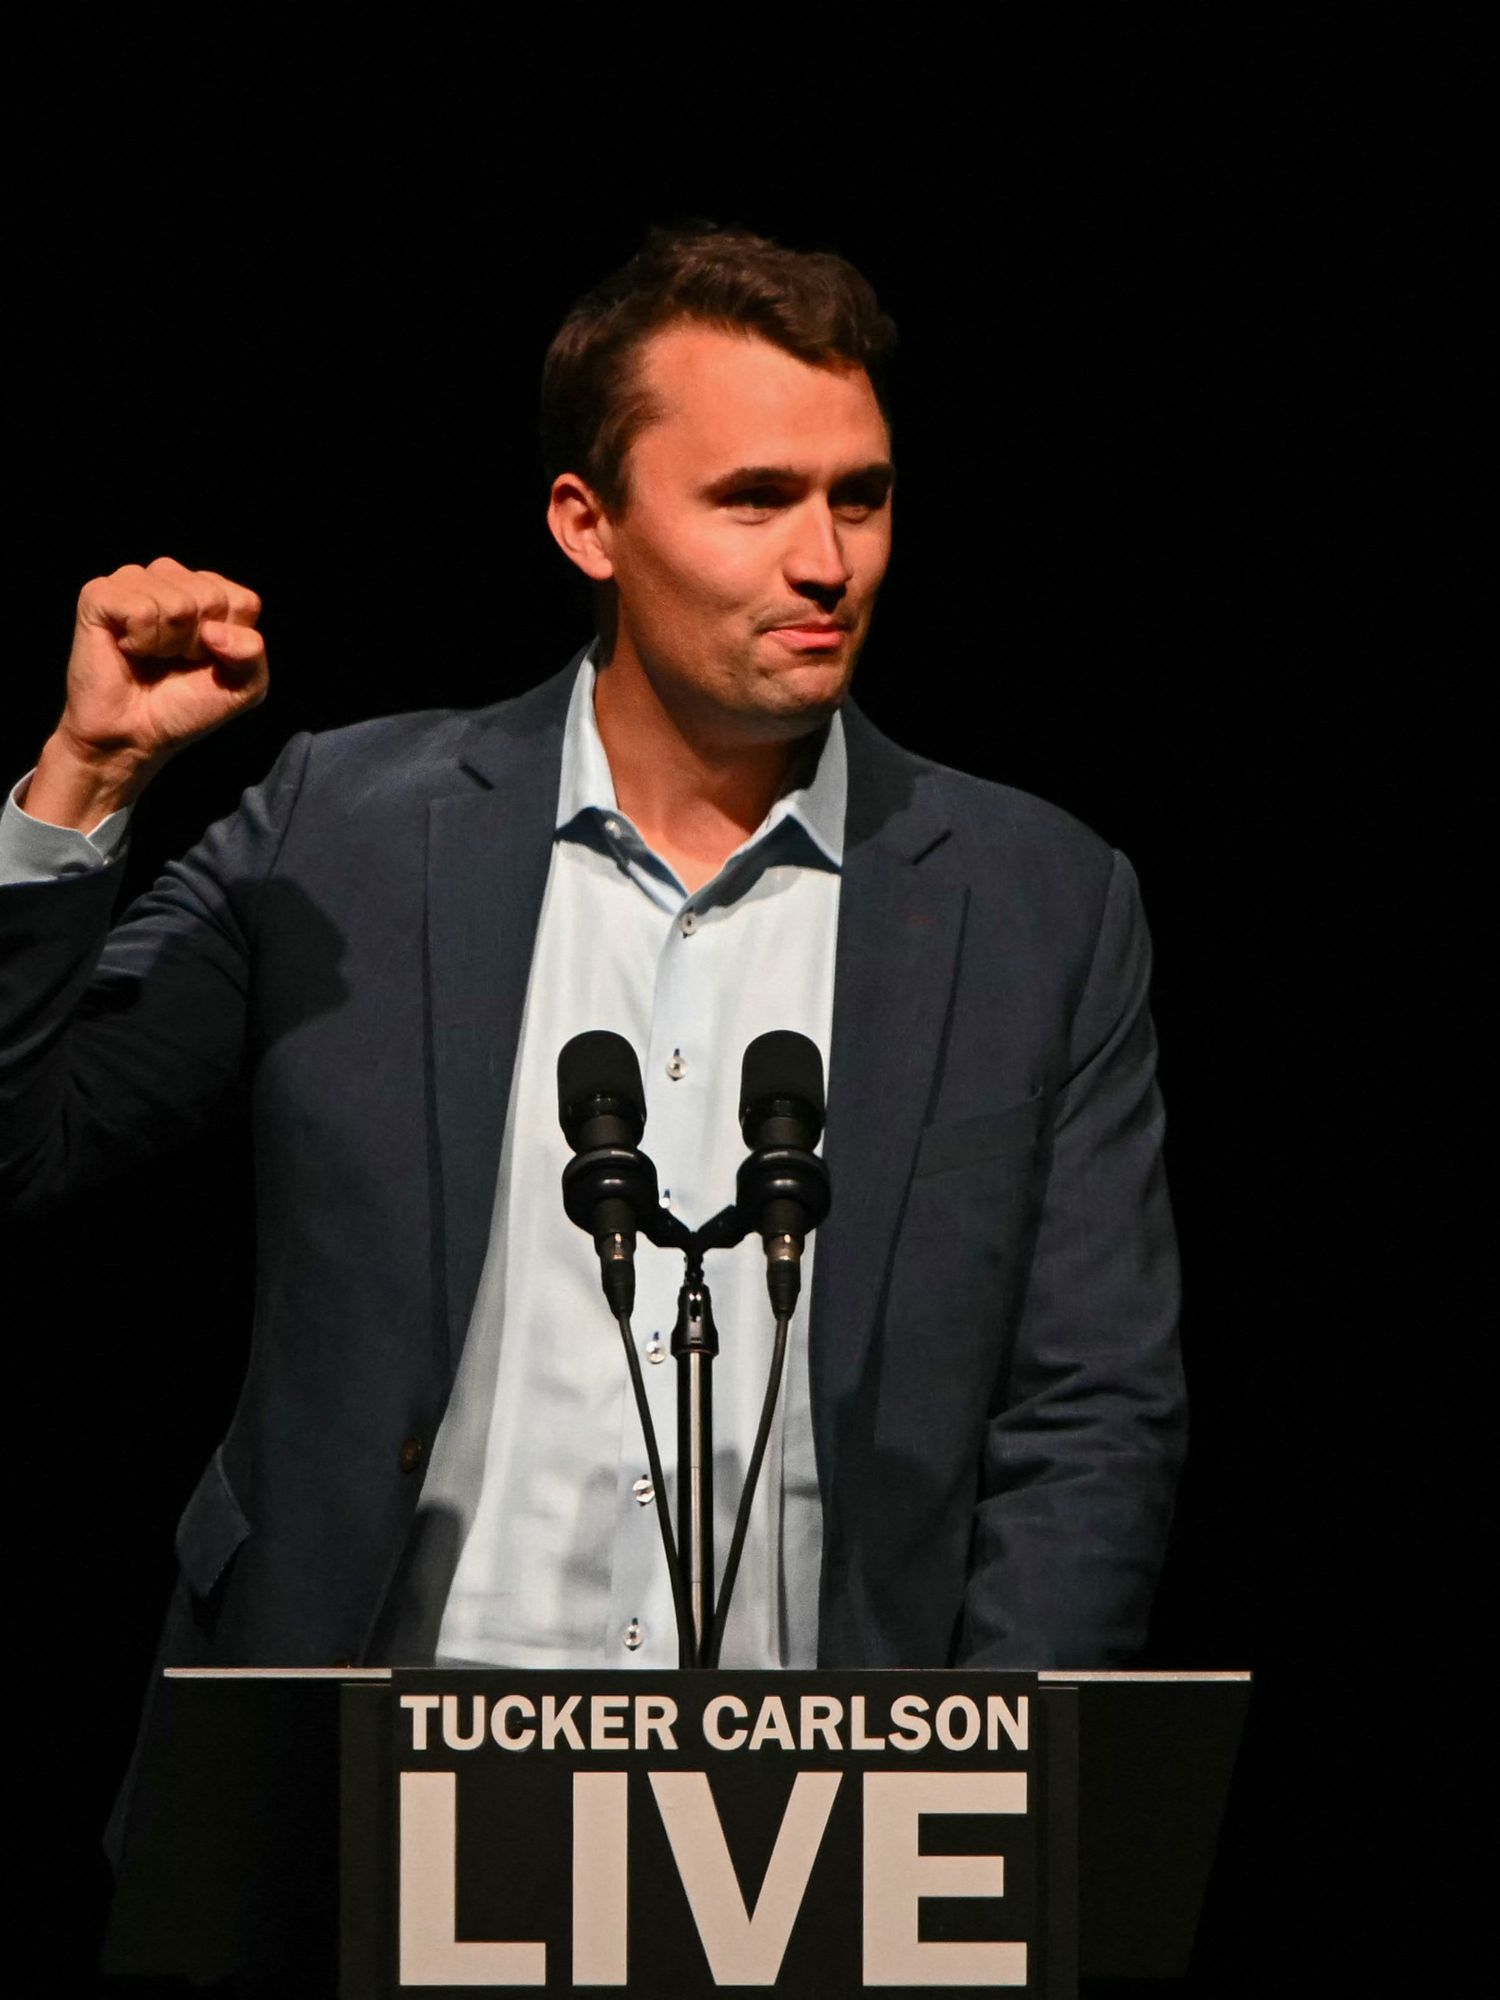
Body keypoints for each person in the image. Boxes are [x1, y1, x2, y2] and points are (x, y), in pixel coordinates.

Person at [0, 222, 1184, 1856]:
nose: (827, 561)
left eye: (862, 495)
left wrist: (983, 1823)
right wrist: (87, 783)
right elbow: (23, 1144)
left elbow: (1090, 1414)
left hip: (824, 1825)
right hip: (366, 1804)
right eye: (755, 500)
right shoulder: (347, 831)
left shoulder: (1040, 902)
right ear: (589, 523)